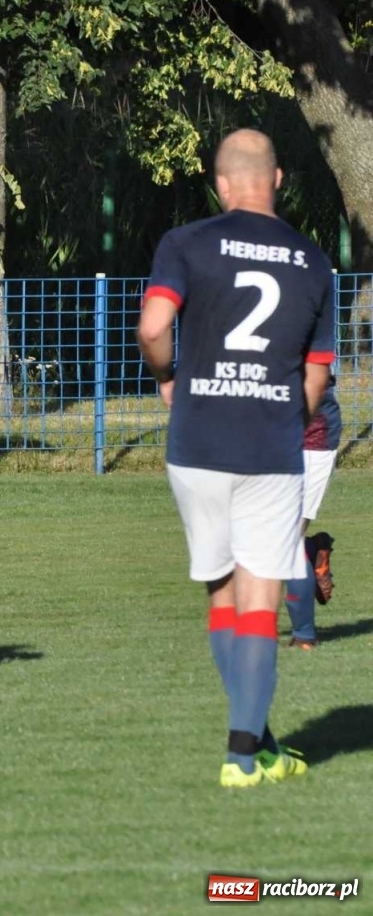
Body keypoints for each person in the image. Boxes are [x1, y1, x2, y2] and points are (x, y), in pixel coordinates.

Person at [137, 128, 334, 788]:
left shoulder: (185, 243)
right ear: (277, 179)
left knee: (223, 597)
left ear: (221, 185)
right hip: (269, 446)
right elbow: (315, 377)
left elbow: (154, 328)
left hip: (196, 444)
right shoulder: (313, 262)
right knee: (259, 603)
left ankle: (263, 744)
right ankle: (243, 757)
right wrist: (286, 419)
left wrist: (169, 379)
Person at [282, 380, 340, 651]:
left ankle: (304, 636)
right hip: (258, 436)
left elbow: (315, 379)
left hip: (310, 438)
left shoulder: (308, 337)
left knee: (288, 537)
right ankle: (313, 549)